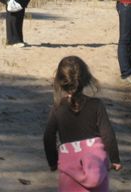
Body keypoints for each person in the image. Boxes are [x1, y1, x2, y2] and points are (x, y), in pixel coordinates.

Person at [43, 56, 122, 192]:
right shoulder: (96, 105)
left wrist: (53, 162)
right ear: (86, 79)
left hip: (69, 168)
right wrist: (115, 159)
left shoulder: (58, 109)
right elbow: (107, 134)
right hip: (96, 167)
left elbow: (48, 136)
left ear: (60, 81)